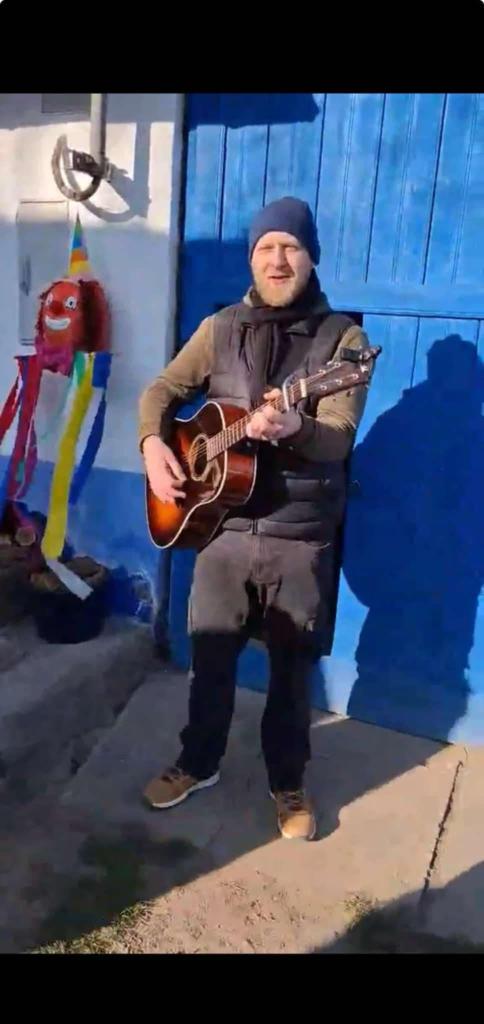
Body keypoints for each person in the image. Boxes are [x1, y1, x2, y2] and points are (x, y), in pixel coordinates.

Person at [138, 196, 371, 840]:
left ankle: (288, 782)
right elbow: (162, 391)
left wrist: (295, 427)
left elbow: (337, 439)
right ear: (251, 259)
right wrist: (154, 445)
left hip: (299, 536)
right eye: (266, 247)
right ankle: (198, 762)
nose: (278, 259)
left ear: (311, 256)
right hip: (221, 530)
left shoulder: (344, 343)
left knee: (292, 677)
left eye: (291, 247)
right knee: (210, 661)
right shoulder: (220, 328)